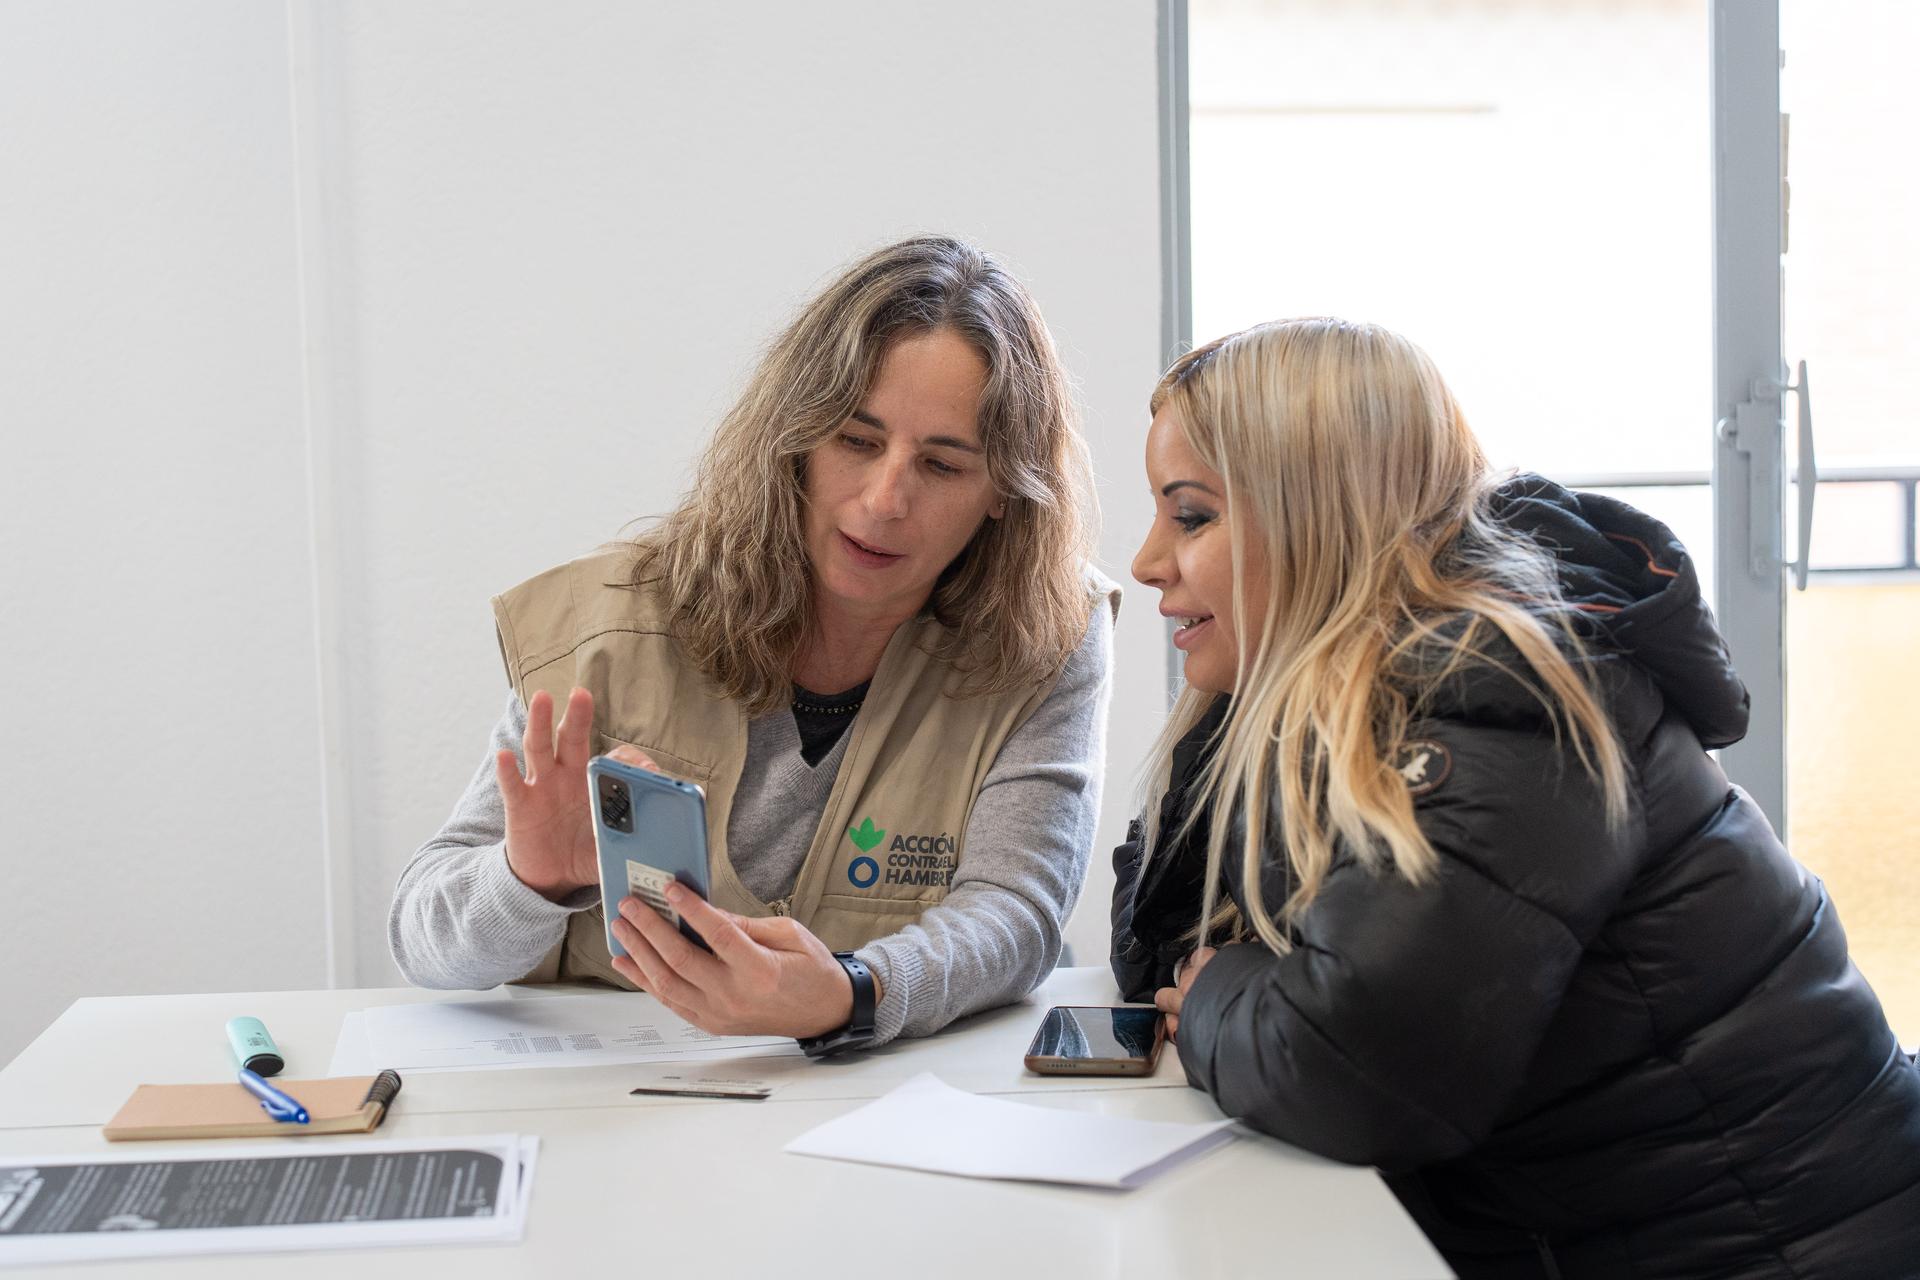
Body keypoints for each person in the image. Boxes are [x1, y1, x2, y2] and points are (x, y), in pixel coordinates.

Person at [1112, 317, 1920, 1277]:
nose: (1147, 560)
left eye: (1193, 516)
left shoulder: (1504, 694)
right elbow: (1164, 937)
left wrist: (1216, 996)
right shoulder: (1331, 696)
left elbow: (1352, 1074)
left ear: (1319, 514)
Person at [391, 236, 1115, 1055]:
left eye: (943, 466)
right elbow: (425, 941)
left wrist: (853, 992)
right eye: (856, 441)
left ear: (1004, 496)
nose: (885, 501)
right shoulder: (604, 627)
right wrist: (530, 881)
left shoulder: (1052, 628)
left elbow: (1017, 912)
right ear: (794, 438)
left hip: (879, 1110)